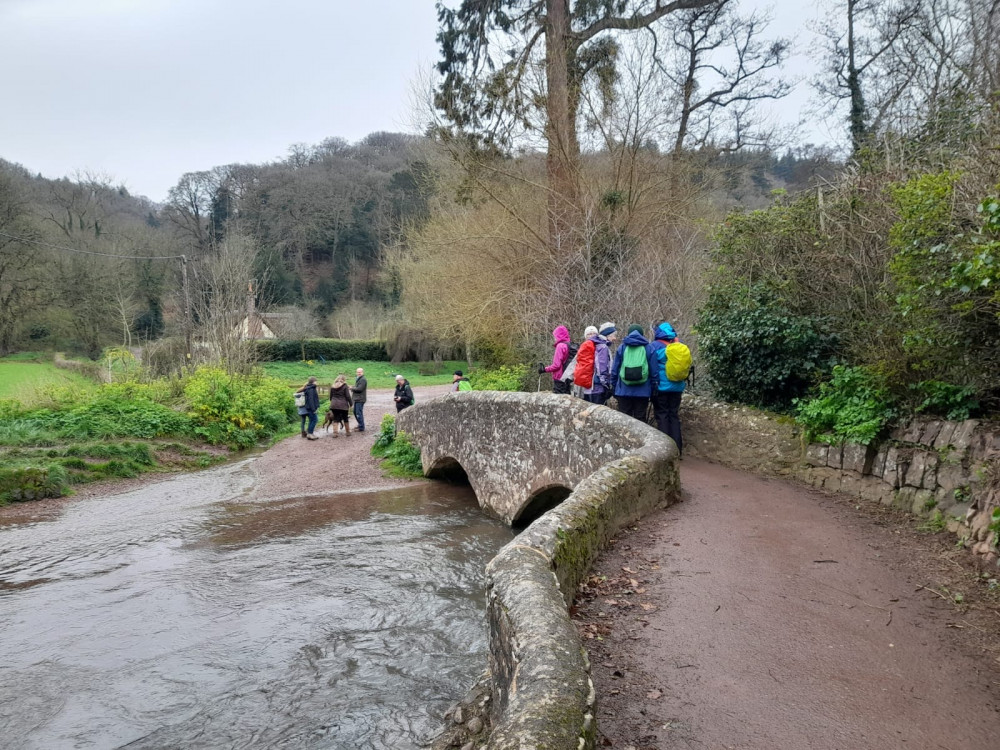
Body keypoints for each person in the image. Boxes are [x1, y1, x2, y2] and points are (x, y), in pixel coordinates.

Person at [650, 321, 690, 456]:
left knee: (662, 416)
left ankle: (665, 452)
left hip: (661, 388)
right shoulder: (679, 347)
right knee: (673, 415)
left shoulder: (655, 347)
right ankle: (678, 450)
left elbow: (652, 366)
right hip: (677, 388)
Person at [609, 324, 659, 422]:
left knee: (624, 419)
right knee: (640, 419)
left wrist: (614, 386)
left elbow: (615, 369)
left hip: (623, 390)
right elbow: (654, 372)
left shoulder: (622, 348)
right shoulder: (649, 348)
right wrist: (654, 387)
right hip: (643, 391)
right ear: (642, 334)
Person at [538, 325, 573, 395]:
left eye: (555, 336)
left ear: (558, 336)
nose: (554, 338)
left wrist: (544, 369)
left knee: (559, 400)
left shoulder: (560, 346)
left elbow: (556, 365)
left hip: (560, 378)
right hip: (569, 377)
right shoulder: (570, 345)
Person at [295, 376, 320, 440]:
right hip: (311, 408)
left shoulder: (309, 387)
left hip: (308, 407)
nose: (317, 382)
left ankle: (309, 433)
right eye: (316, 381)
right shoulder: (311, 389)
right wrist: (313, 409)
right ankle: (310, 434)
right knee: (314, 420)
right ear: (314, 382)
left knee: (312, 420)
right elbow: (311, 399)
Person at [351, 367, 367, 432]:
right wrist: (353, 387)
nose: (358, 373)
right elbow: (357, 387)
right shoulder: (359, 379)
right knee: (355, 412)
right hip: (357, 399)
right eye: (357, 372)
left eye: (360, 372)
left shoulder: (363, 379)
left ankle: (361, 427)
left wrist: (352, 388)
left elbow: (360, 389)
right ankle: (360, 424)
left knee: (358, 413)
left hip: (360, 399)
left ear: (362, 372)